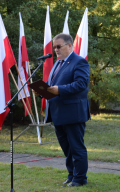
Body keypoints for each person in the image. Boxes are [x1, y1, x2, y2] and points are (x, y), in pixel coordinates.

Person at [35, 33, 90, 187]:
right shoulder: (58, 63)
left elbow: (81, 84)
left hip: (73, 113)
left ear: (70, 45)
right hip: (58, 113)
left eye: (59, 46)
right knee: (67, 148)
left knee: (76, 147)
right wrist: (42, 90)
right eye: (54, 47)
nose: (56, 50)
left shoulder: (79, 62)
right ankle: (72, 175)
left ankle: (80, 179)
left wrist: (58, 89)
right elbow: (54, 84)